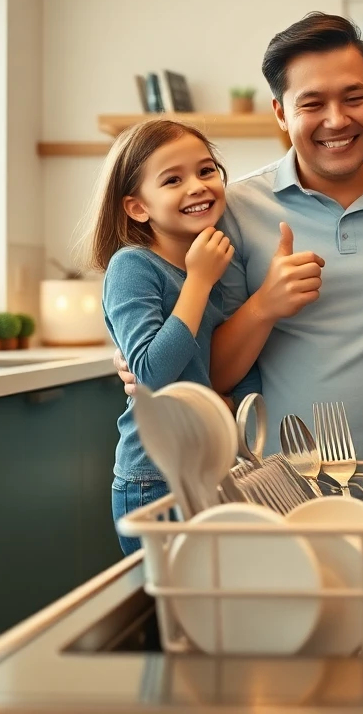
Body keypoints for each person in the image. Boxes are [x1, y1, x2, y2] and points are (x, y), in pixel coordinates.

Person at [116, 13, 363, 464]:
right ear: (280, 113)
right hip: (279, 484)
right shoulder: (233, 209)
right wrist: (264, 305)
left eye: (354, 97)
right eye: (311, 104)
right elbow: (212, 370)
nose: (336, 119)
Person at [84, 119, 236, 553]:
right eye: (173, 180)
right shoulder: (132, 266)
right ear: (137, 208)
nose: (197, 186)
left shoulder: (206, 265)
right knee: (173, 596)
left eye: (206, 170)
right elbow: (151, 374)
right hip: (155, 478)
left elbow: (213, 365)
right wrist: (199, 282)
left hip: (206, 468)